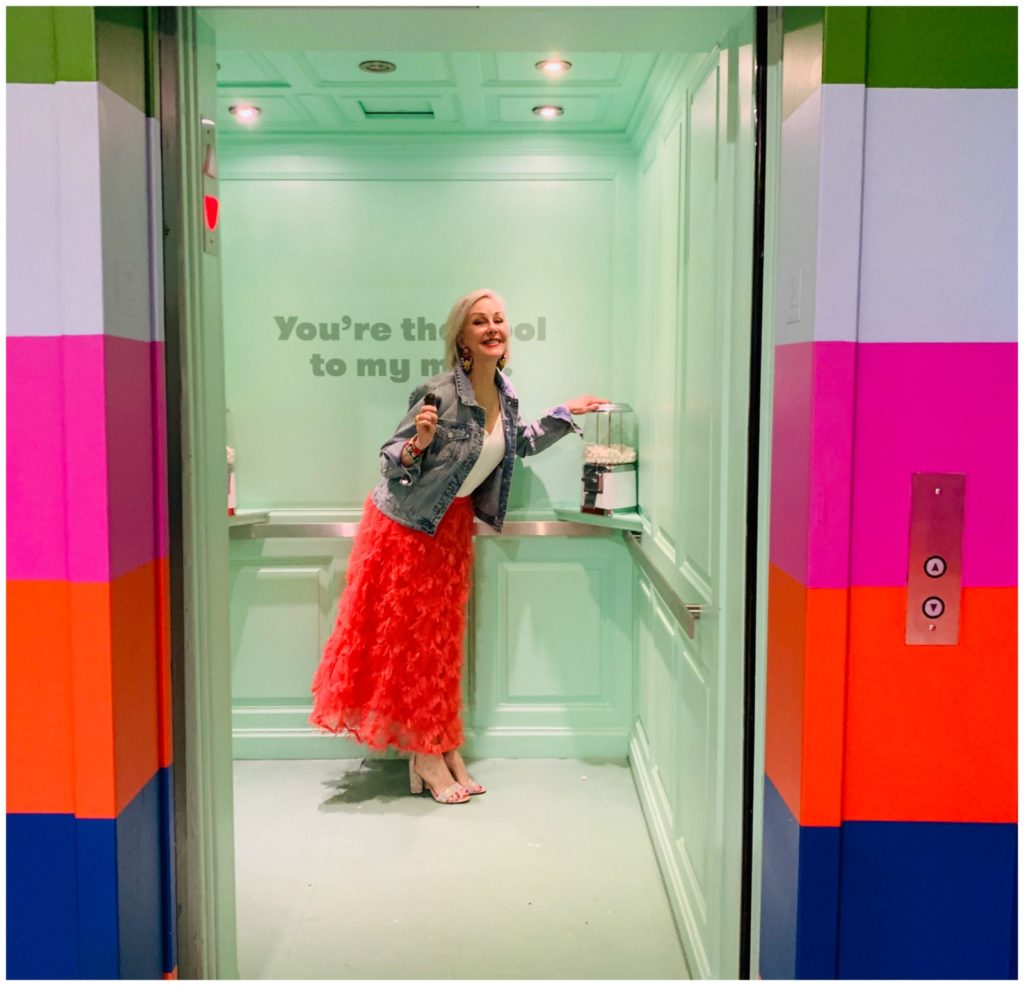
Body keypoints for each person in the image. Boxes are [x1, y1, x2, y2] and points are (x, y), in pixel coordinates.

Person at [309, 288, 607, 804]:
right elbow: (390, 458)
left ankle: (442, 746)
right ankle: (425, 754)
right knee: (414, 646)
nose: (493, 327)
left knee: (440, 648)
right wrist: (418, 444)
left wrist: (564, 413)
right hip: (406, 529)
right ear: (462, 338)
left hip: (450, 531)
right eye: (479, 322)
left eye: (498, 320)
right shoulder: (440, 391)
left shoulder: (506, 394)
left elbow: (519, 443)